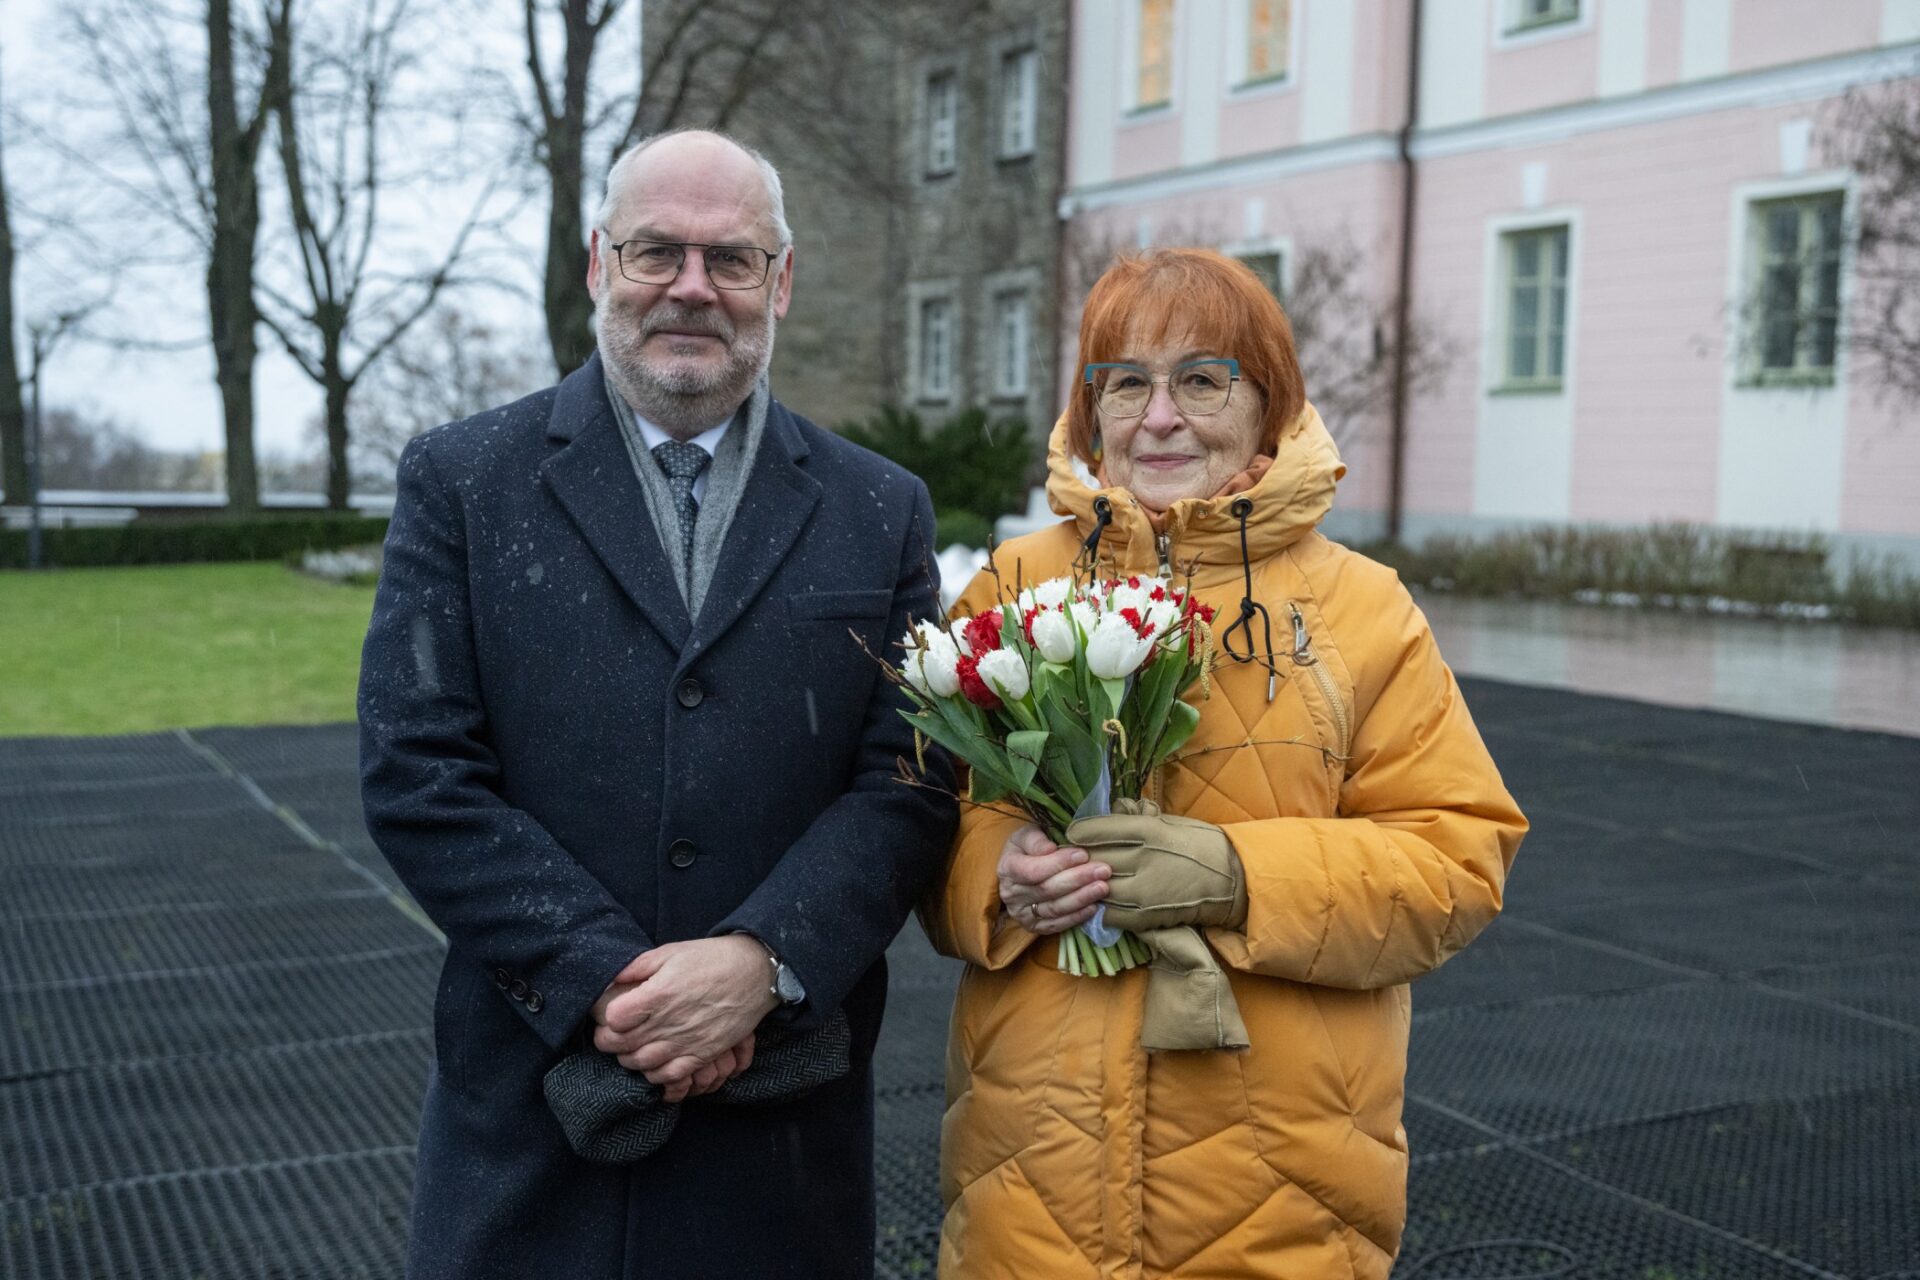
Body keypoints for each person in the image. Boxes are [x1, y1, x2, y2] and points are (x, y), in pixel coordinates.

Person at [359, 129, 955, 1279]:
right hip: (534, 1124)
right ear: (598, 264)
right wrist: (608, 984)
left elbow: (910, 778)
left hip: (782, 1131)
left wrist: (759, 962)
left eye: (731, 258)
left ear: (779, 282)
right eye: (656, 251)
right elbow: (419, 769)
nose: (691, 286)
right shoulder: (463, 480)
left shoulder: (881, 507)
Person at [922, 248, 1527, 1277]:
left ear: (1268, 405)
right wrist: (1000, 871)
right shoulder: (1014, 583)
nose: (1160, 416)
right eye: (1126, 382)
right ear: (1090, 409)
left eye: (1203, 379)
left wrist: (1240, 876)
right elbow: (932, 821)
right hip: (1031, 1173)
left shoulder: (1362, 609)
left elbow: (1457, 860)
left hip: (1282, 1185)